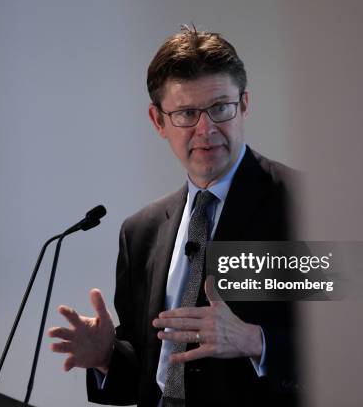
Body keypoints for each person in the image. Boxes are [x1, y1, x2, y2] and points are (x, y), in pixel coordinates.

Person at [48, 26, 299, 406]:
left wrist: (255, 341)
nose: (206, 129)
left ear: (244, 104)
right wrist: (106, 358)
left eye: (220, 108)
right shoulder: (142, 231)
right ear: (158, 121)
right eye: (186, 113)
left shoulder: (303, 204)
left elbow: (359, 338)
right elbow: (152, 368)